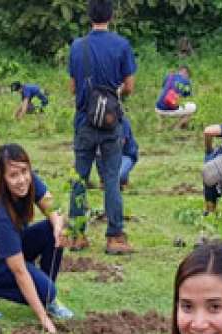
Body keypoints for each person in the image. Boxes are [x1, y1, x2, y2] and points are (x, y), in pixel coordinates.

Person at [0, 144, 73, 331]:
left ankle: (47, 297)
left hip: (14, 244)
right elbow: (19, 271)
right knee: (44, 291)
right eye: (13, 175)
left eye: (24, 171)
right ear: (3, 179)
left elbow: (53, 206)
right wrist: (43, 319)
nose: (21, 180)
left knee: (51, 230)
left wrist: (58, 225)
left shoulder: (30, 181)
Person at [68, 0, 137, 255]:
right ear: (111, 15)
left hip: (84, 121)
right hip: (111, 124)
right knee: (110, 178)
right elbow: (129, 86)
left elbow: (73, 87)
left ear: (89, 16)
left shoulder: (77, 46)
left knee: (79, 178)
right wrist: (114, 96)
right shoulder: (121, 45)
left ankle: (76, 235)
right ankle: (115, 237)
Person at [155, 65, 196, 129]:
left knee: (162, 100)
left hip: (158, 109)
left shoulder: (169, 76)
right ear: (186, 73)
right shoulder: (186, 81)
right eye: (189, 76)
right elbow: (189, 95)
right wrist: (189, 85)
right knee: (193, 107)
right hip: (170, 109)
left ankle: (160, 126)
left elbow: (163, 88)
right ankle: (176, 127)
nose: (188, 78)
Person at [119, 116, 139, 187]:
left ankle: (123, 181)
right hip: (115, 155)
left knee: (118, 176)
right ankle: (124, 182)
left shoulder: (123, 121)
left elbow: (122, 141)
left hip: (128, 154)